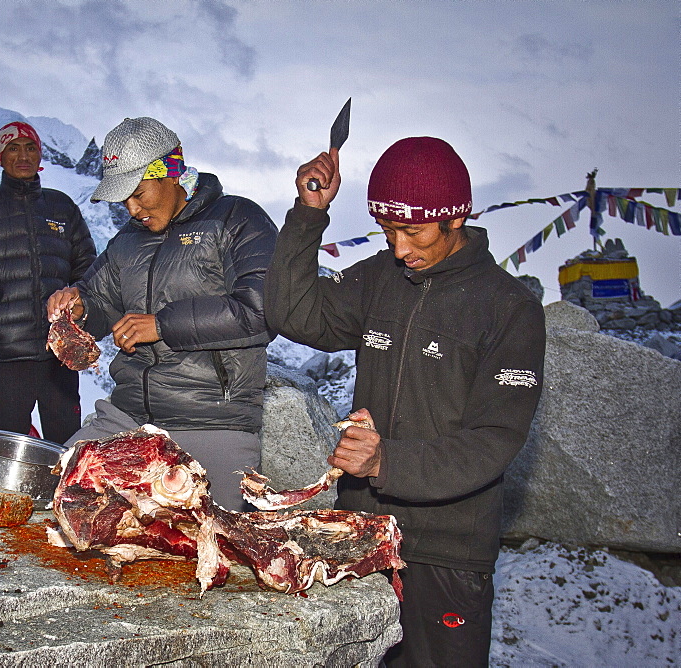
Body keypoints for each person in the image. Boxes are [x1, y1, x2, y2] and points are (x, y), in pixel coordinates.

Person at [264, 137, 545, 666]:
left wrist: (383, 460)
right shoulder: (379, 278)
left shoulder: (509, 309)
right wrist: (308, 214)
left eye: (412, 231)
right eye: (388, 230)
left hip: (447, 553)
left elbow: (493, 443)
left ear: (454, 218)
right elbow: (291, 313)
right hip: (361, 538)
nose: (398, 248)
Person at [47, 117, 278, 510]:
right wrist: (79, 307)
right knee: (59, 497)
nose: (132, 209)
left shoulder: (237, 220)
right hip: (127, 416)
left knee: (208, 543)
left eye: (138, 193)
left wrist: (162, 325)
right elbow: (100, 301)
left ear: (171, 173)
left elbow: (262, 310)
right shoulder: (127, 242)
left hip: (213, 422)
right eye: (124, 200)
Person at [0, 121, 96, 444]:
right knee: (8, 443)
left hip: (59, 352)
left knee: (65, 443)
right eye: (13, 148)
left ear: (40, 154)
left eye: (30, 148)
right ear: (0, 156)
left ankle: (64, 497)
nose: (23, 155)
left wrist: (76, 315)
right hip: (6, 353)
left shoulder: (62, 207)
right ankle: (10, 497)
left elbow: (88, 268)